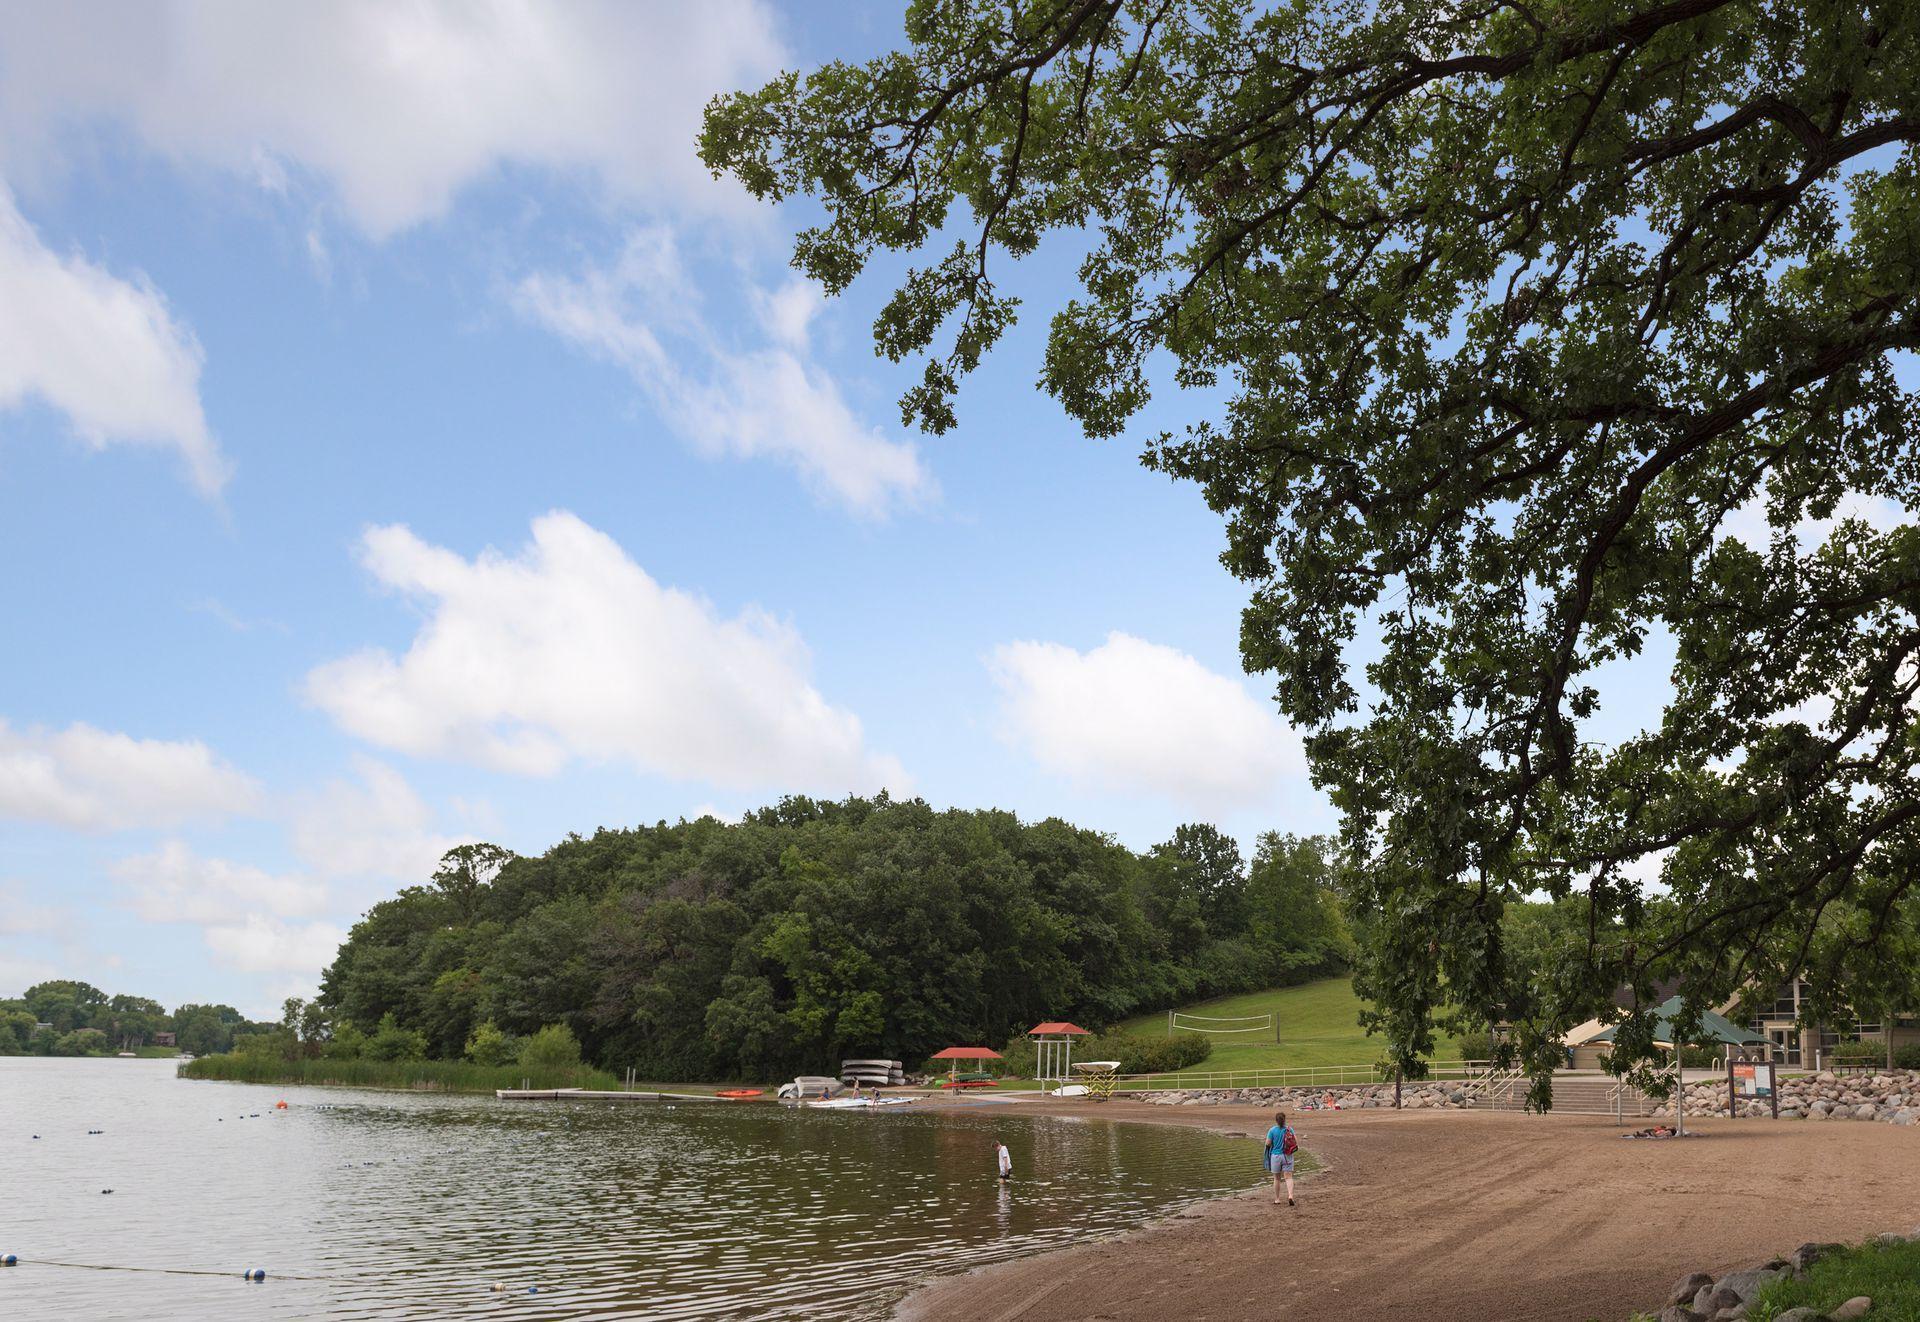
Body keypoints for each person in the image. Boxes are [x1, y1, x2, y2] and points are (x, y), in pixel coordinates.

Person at [1264, 1111, 1297, 1207]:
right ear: (1284, 1120)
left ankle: (1277, 1199)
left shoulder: (1272, 1130)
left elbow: (1268, 1143)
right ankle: (1290, 1196)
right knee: (1289, 1177)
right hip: (1287, 1156)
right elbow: (1296, 1141)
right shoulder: (1289, 1129)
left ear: (1276, 1121)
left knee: (1277, 1178)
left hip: (1276, 1156)